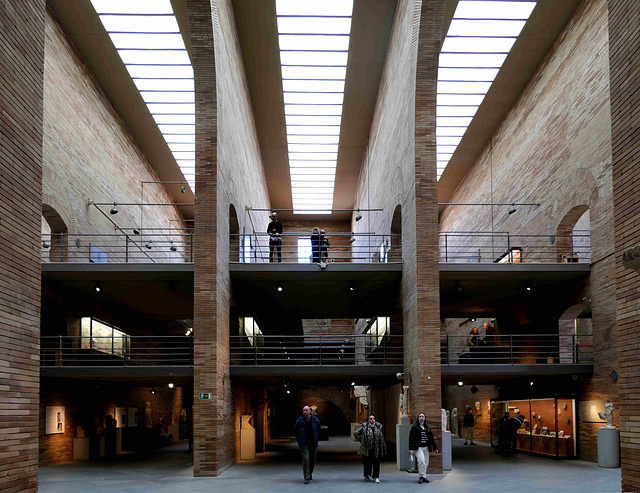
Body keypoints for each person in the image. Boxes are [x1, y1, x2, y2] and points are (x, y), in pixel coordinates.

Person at [353, 414, 387, 483]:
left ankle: (376, 477)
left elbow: (381, 439)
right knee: (367, 463)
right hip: (367, 448)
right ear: (368, 420)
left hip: (376, 449)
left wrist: (384, 448)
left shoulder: (378, 427)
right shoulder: (365, 427)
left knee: (376, 463)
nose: (372, 420)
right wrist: (361, 440)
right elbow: (356, 433)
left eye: (373, 418)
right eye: (371, 419)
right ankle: (367, 475)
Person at [294, 405, 321, 484]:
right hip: (304, 442)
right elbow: (296, 430)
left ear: (310, 411)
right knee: (306, 459)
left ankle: (310, 473)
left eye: (306, 410)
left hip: (313, 443)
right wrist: (299, 439)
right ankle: (306, 476)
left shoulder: (315, 420)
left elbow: (318, 430)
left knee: (312, 460)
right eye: (303, 410)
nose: (304, 412)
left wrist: (316, 438)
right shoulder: (299, 420)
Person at [409, 412, 439, 484]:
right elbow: (411, 438)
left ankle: (424, 476)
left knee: (426, 462)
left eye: (423, 416)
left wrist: (435, 448)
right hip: (418, 447)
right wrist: (411, 448)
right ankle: (421, 476)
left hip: (426, 447)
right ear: (418, 418)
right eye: (420, 416)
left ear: (425, 418)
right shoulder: (414, 427)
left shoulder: (427, 428)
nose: (421, 418)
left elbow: (431, 439)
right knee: (421, 461)